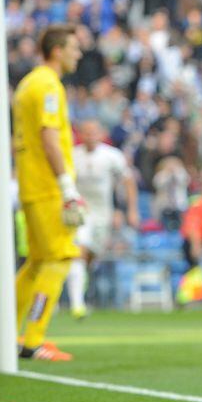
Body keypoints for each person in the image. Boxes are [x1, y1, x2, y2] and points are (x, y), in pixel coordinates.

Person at [12, 24, 84, 361]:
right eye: (73, 47)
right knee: (60, 258)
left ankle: (8, 333)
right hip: (47, 187)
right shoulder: (48, 85)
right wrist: (67, 185)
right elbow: (49, 135)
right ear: (57, 50)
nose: (78, 53)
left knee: (37, 262)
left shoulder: (29, 83)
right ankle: (34, 339)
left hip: (31, 184)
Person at [67, 119, 139, 319]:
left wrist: (128, 210)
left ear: (100, 133)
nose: (90, 136)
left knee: (91, 255)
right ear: (81, 134)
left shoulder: (112, 156)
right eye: (86, 132)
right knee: (78, 251)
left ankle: (81, 285)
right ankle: (77, 305)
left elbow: (127, 181)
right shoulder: (73, 155)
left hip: (103, 213)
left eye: (93, 132)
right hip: (80, 212)